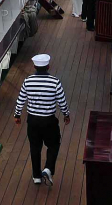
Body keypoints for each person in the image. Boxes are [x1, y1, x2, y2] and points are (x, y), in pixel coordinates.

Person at [14, 53, 70, 186]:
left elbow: (21, 99)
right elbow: (61, 101)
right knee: (54, 144)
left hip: (32, 121)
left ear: (34, 66)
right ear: (48, 66)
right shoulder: (55, 82)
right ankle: (48, 168)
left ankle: (36, 176)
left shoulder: (28, 81)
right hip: (49, 121)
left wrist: (17, 115)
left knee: (35, 147)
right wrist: (66, 114)